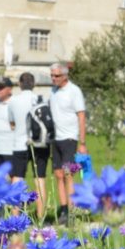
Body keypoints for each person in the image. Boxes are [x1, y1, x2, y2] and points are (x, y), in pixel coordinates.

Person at [48, 62, 86, 226]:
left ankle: (72, 211)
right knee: (58, 175)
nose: (53, 78)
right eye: (52, 75)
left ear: (65, 76)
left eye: (56, 75)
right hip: (55, 138)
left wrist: (82, 142)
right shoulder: (53, 91)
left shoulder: (74, 91)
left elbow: (81, 116)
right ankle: (63, 209)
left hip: (70, 138)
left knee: (68, 175)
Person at [10, 72, 49, 220]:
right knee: (40, 179)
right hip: (40, 144)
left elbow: (12, 123)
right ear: (33, 84)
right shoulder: (40, 99)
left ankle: (15, 217)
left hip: (20, 144)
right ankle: (41, 218)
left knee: (17, 179)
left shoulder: (13, 101)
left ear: (20, 84)